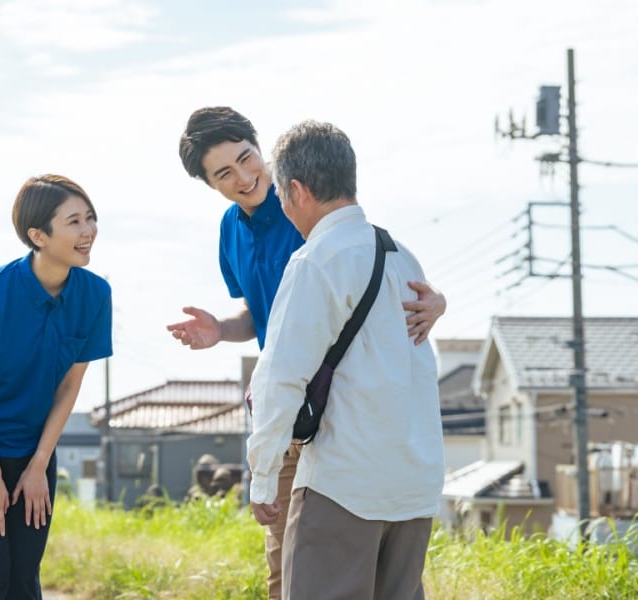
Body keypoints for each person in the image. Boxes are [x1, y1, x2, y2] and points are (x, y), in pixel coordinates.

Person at [167, 106, 446, 600]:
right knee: (290, 566)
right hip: (320, 426)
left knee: (306, 572)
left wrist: (439, 302)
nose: (244, 177)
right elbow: (268, 318)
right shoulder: (233, 231)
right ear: (211, 186)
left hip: (327, 419)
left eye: (246, 159)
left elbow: (353, 297)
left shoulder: (309, 214)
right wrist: (221, 330)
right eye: (223, 174)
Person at [247, 120, 445, 600]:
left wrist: (263, 475)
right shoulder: (401, 255)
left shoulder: (316, 260)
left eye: (280, 193)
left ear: (297, 190)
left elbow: (282, 376)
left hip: (344, 485)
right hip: (412, 485)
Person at [0, 174, 112, 599]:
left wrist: (39, 465)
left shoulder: (96, 294)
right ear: (38, 235)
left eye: (90, 218)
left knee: (24, 578)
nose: (87, 231)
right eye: (73, 221)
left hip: (33, 447)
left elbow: (70, 387)